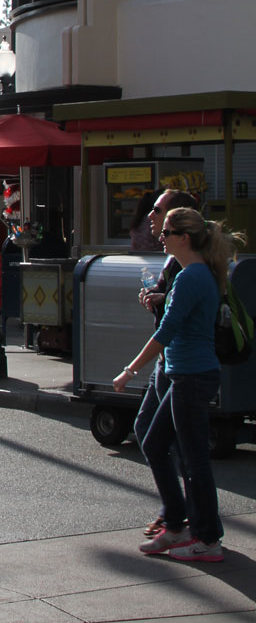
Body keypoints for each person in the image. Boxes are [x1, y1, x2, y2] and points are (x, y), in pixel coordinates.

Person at [114, 207, 245, 563]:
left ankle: (207, 538)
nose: (161, 236)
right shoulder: (194, 274)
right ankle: (176, 523)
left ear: (184, 238)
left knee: (193, 459)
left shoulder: (192, 277)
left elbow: (166, 332)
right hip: (184, 374)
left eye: (167, 231)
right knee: (155, 441)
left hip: (191, 375)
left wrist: (130, 370)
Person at [134, 190, 196, 537]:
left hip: (181, 364)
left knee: (170, 444)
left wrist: (131, 368)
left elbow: (177, 320)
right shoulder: (175, 260)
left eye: (157, 211)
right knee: (150, 433)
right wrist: (156, 297)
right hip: (170, 360)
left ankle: (183, 519)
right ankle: (177, 513)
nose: (151, 219)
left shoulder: (191, 267)